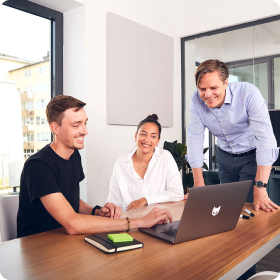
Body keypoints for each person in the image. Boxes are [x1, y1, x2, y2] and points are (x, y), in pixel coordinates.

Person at [17, 96, 172, 238]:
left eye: (85, 123)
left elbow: (68, 200)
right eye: (76, 125)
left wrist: (96, 211)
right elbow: (73, 223)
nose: (85, 131)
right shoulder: (38, 166)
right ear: (55, 128)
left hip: (65, 239)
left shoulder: (73, 155)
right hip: (39, 246)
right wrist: (140, 222)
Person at [186, 59, 280, 280]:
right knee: (227, 217)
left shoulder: (248, 93)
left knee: (249, 218)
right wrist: (198, 183)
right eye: (202, 89)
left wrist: (261, 185)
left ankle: (246, 273)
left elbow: (266, 141)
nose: (207, 94)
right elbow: (195, 138)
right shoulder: (196, 100)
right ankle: (227, 270)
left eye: (213, 88)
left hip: (251, 157)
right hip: (225, 158)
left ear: (226, 82)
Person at [106, 114, 184, 211]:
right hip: (130, 222)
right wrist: (109, 209)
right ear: (136, 136)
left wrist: (145, 200)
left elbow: (177, 193)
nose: (147, 140)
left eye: (153, 136)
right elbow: (114, 201)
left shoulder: (165, 157)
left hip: (159, 222)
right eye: (143, 134)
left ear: (158, 141)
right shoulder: (120, 163)